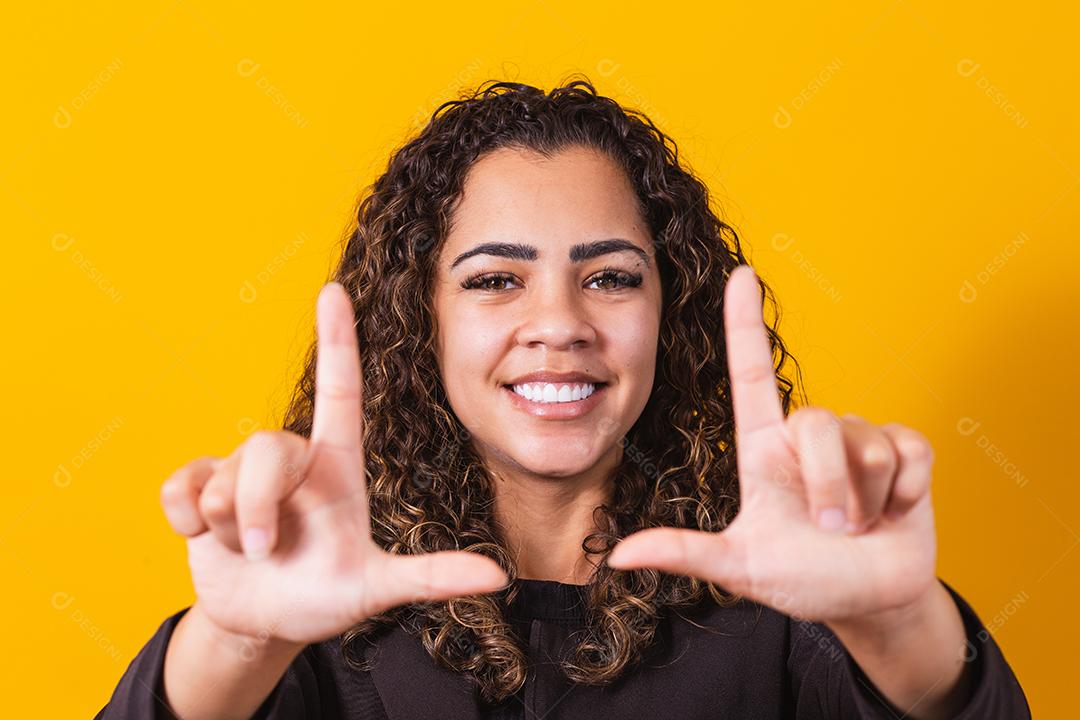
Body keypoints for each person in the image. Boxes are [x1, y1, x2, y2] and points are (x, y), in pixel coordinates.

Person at [96, 78, 1030, 719]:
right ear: (420, 318)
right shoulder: (316, 596)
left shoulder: (786, 592)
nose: (560, 324)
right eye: (495, 280)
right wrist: (232, 641)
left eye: (612, 278)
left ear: (676, 312)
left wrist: (897, 626)